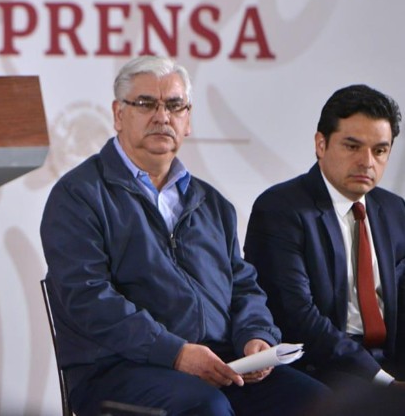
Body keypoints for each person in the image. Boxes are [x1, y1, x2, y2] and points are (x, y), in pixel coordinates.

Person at [40, 56, 328, 416]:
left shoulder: (212, 204)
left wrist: (257, 337)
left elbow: (242, 286)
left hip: (221, 364)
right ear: (118, 114)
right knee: (205, 407)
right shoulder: (79, 196)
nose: (162, 116)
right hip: (117, 370)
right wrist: (174, 353)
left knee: (321, 403)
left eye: (175, 105)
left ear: (187, 120)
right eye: (146, 103)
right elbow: (88, 298)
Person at [245, 85, 405, 388]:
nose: (367, 162)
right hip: (319, 366)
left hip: (389, 360)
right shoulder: (281, 209)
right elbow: (297, 316)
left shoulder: (394, 210)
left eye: (379, 150)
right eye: (352, 146)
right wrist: (382, 381)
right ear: (321, 144)